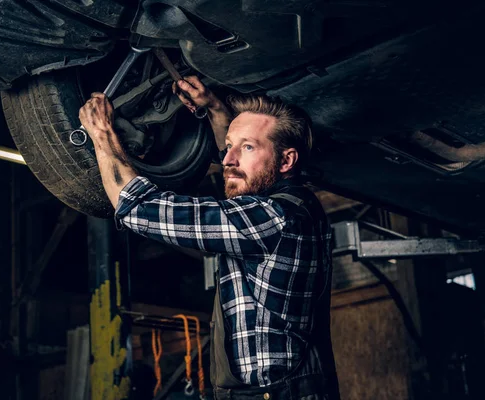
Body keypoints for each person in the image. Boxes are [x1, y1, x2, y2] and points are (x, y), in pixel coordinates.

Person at [79, 76, 340, 400]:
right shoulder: (294, 206)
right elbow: (235, 173)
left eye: (247, 147)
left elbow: (139, 208)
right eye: (230, 145)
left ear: (287, 160)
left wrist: (102, 134)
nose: (227, 159)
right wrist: (216, 110)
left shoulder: (273, 218)